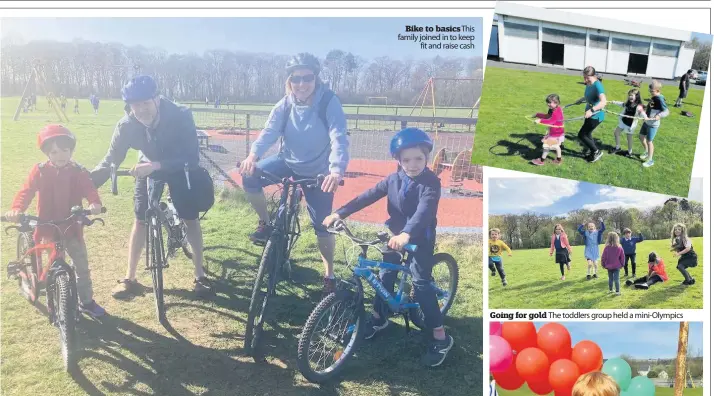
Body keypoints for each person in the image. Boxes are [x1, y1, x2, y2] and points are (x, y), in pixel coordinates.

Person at [323, 127, 453, 367]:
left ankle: (440, 336)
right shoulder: (393, 179)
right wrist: (340, 212)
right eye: (406, 160)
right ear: (398, 160)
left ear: (426, 158)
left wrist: (407, 234)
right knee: (385, 273)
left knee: (422, 284)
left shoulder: (431, 182)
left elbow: (425, 211)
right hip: (394, 234)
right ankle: (379, 317)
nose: (412, 164)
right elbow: (367, 195)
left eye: (418, 159)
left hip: (419, 236)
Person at [89, 75, 214, 299]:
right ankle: (130, 278)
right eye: (135, 105)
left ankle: (200, 274)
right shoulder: (126, 125)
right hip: (147, 166)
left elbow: (191, 158)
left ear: (157, 99)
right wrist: (88, 185)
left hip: (179, 166)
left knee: (190, 218)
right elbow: (111, 159)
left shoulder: (181, 116)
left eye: (145, 103)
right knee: (140, 219)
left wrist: (157, 165)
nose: (141, 109)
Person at [238, 52, 350, 294]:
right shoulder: (286, 102)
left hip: (318, 172)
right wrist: (252, 156)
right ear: (289, 80)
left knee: (323, 226)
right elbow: (269, 131)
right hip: (286, 161)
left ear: (316, 78)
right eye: (295, 79)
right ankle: (265, 223)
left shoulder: (328, 101)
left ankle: (329, 275)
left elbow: (338, 137)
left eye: (307, 78)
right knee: (250, 175)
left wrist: (336, 170)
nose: (301, 84)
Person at [4, 125, 106, 317]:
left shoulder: (78, 171)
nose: (60, 155)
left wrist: (94, 203)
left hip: (71, 227)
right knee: (50, 268)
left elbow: (89, 189)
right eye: (54, 152)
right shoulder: (40, 170)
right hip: (46, 227)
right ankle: (53, 300)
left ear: (71, 151)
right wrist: (17, 208)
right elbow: (26, 191)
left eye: (65, 151)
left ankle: (87, 302)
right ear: (47, 153)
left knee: (81, 266)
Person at [573, 66, 607, 163]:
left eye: (587, 78)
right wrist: (581, 99)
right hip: (589, 113)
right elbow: (589, 95)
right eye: (584, 77)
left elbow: (603, 102)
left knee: (582, 135)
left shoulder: (598, 85)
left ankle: (596, 151)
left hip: (596, 115)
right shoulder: (589, 83)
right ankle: (593, 152)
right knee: (587, 133)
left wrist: (591, 110)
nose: (585, 80)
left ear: (594, 76)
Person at [639, 80, 669, 168]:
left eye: (652, 91)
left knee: (649, 141)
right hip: (647, 121)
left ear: (658, 91)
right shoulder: (654, 97)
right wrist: (645, 107)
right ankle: (646, 151)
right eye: (650, 91)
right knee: (641, 136)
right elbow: (652, 106)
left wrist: (659, 115)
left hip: (653, 124)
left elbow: (666, 111)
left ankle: (650, 160)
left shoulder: (660, 98)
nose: (651, 93)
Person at [608, 89, 646, 156]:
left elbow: (642, 112)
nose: (630, 97)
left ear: (636, 96)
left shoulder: (638, 106)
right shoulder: (628, 103)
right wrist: (613, 102)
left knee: (629, 138)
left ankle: (629, 152)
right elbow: (622, 104)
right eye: (629, 95)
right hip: (623, 122)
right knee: (616, 132)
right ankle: (618, 147)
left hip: (630, 125)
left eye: (632, 95)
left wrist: (645, 117)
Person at [531, 94, 565, 166]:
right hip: (556, 132)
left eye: (550, 102)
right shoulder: (553, 109)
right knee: (556, 146)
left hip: (556, 133)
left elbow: (550, 121)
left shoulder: (557, 112)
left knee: (546, 146)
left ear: (556, 102)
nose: (548, 104)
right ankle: (558, 160)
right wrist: (538, 114)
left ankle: (541, 161)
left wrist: (540, 120)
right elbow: (547, 116)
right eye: (547, 102)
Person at [600, 231, 624, 296]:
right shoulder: (619, 247)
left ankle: (611, 290)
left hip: (609, 266)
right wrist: (622, 264)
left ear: (608, 239)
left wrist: (603, 264)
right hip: (617, 266)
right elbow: (622, 257)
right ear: (617, 238)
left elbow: (603, 257)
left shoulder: (606, 248)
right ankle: (617, 291)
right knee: (616, 279)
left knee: (610, 279)